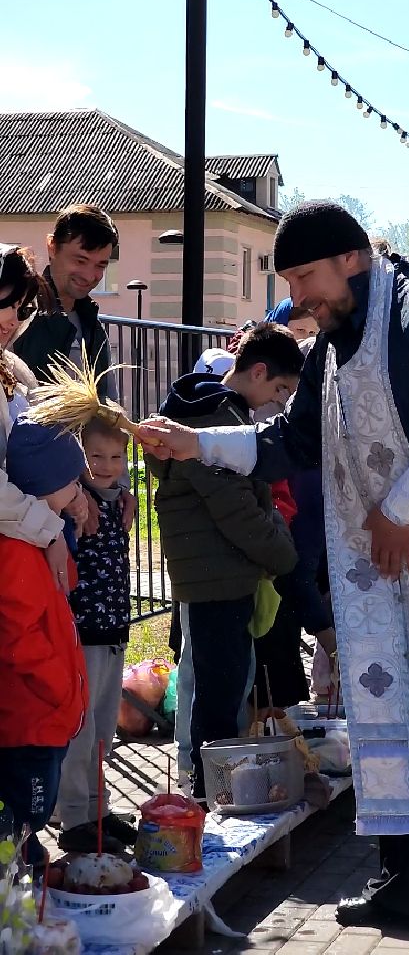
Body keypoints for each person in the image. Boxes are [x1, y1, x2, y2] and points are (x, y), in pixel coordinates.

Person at [139, 201, 409, 938]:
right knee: (397, 724)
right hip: (397, 585)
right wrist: (197, 443)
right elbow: (293, 438)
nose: (299, 297)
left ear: (351, 258)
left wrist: (398, 508)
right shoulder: (335, 342)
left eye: (306, 276)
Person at [147, 323, 301, 799]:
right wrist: (283, 551)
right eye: (280, 390)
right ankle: (209, 795)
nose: (279, 402)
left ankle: (210, 786)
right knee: (220, 689)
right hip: (217, 571)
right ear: (257, 372)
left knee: (222, 682)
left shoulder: (207, 409)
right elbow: (240, 509)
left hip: (216, 569)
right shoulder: (218, 419)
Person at [13, 203, 136, 535]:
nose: (91, 275)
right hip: (38, 485)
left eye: (101, 265)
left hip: (89, 481)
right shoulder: (22, 315)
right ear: (51, 246)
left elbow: (104, 403)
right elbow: (23, 408)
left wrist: (120, 483)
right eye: (80, 260)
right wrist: (70, 487)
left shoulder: (91, 322)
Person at [0, 414, 88, 868]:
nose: (78, 492)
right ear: (42, 484)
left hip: (47, 712)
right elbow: (18, 637)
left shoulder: (41, 538)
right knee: (25, 814)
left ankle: (25, 878)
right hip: (31, 716)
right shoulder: (16, 550)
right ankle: (18, 900)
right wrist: (57, 685)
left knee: (27, 818)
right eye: (71, 482)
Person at [56, 417, 135, 854]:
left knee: (104, 729)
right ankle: (73, 817)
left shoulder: (118, 500)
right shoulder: (75, 502)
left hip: (113, 629)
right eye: (95, 456)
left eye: (116, 456)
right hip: (83, 631)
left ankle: (98, 810)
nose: (106, 465)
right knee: (81, 731)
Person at [0, 243, 87, 592]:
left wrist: (70, 488)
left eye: (23, 308)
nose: (14, 320)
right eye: (8, 303)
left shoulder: (13, 368)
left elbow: (40, 451)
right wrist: (48, 531)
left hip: (21, 544)